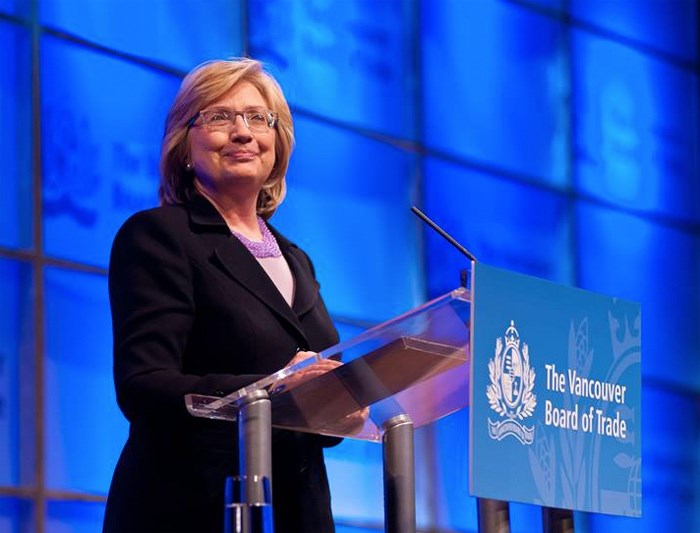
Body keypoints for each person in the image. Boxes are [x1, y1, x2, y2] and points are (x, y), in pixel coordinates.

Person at [103, 58, 343, 533]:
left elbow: (317, 409)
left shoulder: (297, 259)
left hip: (296, 510)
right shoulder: (158, 236)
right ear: (184, 144)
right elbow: (144, 387)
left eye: (258, 118)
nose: (242, 132)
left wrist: (343, 400)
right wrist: (271, 389)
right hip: (194, 506)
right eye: (219, 117)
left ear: (278, 143)